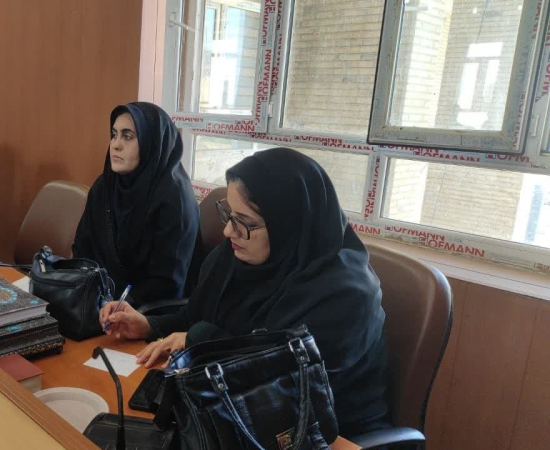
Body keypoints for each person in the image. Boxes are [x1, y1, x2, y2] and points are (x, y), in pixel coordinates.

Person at [99, 147, 390, 437]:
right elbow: (197, 315)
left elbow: (284, 383)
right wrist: (150, 325)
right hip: (229, 412)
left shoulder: (345, 295)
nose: (228, 231)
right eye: (229, 214)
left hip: (323, 433)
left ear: (289, 224)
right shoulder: (234, 257)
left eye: (246, 222)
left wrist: (200, 340)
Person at [73, 102, 200, 308]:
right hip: (98, 299)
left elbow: (167, 282)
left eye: (128, 136)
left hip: (149, 311)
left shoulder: (174, 199)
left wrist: (118, 304)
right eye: (114, 135)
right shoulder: (106, 185)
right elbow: (82, 247)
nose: (115, 145)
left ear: (152, 143)